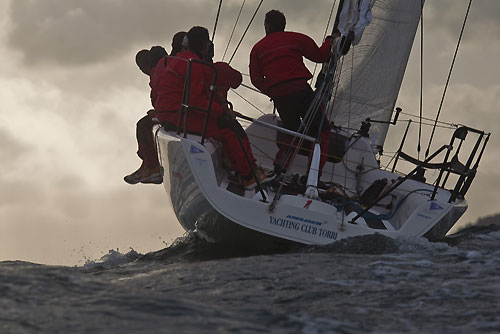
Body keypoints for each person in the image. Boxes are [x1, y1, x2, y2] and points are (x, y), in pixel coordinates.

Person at [154, 26, 274, 189]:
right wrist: (222, 111)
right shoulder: (195, 63)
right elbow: (196, 100)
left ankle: (242, 168)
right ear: (205, 45)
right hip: (179, 115)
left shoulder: (175, 60)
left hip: (168, 114)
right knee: (228, 128)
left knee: (224, 123)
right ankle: (248, 176)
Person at [249, 9, 333, 176]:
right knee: (321, 131)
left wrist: (272, 90)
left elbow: (256, 79)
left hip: (281, 97)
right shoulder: (295, 38)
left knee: (292, 133)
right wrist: (330, 41)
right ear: (284, 25)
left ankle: (280, 169)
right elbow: (321, 56)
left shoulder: (257, 48)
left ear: (266, 25)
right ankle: (313, 175)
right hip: (300, 90)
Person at [124, 32, 187, 185]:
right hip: (175, 111)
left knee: (144, 125)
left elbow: (171, 96)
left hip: (178, 114)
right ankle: (147, 165)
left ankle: (152, 167)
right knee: (146, 123)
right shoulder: (169, 66)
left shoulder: (161, 72)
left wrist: (158, 112)